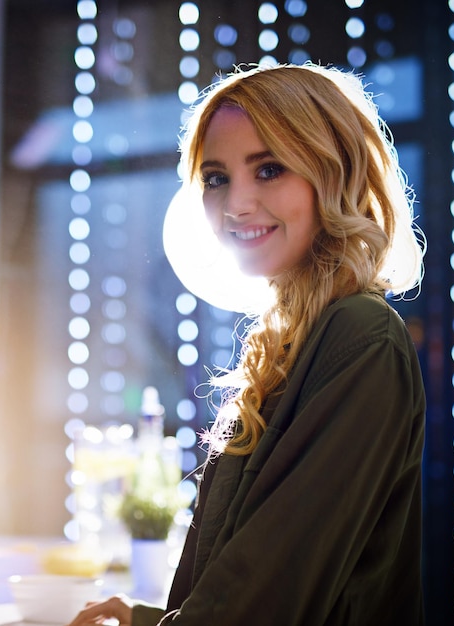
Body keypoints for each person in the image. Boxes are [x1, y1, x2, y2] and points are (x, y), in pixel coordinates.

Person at [67, 62, 426, 626]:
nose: (235, 205)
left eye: (270, 169)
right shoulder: (295, 340)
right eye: (216, 178)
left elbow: (270, 596)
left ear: (331, 174)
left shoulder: (361, 336)